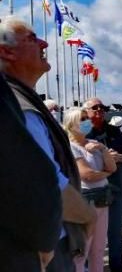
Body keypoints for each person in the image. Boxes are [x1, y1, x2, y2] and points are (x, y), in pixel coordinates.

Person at [0, 18, 97, 271]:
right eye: (32, 38)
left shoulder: (21, 102)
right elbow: (45, 184)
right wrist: (88, 215)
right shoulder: (21, 109)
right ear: (6, 51)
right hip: (47, 249)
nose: (44, 43)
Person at [0, 71, 62, 271]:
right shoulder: (17, 105)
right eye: (29, 38)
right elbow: (35, 176)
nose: (43, 45)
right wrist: (45, 238)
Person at [84, 98, 122, 272]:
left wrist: (119, 157)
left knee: (115, 232)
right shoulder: (81, 134)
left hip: (116, 188)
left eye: (102, 107)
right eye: (95, 107)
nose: (100, 110)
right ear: (86, 111)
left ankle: (117, 266)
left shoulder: (115, 131)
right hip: (92, 192)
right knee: (88, 234)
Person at [64, 107, 117, 272]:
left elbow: (113, 167)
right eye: (82, 119)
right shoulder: (70, 147)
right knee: (81, 253)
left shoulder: (93, 144)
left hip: (101, 201)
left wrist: (101, 148)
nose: (87, 122)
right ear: (72, 123)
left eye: (87, 118)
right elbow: (86, 174)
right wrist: (105, 173)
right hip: (84, 203)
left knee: (98, 251)